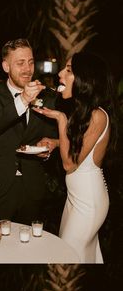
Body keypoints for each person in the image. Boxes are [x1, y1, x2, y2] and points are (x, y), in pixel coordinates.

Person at [34, 50, 118, 262]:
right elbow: (79, 148)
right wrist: (55, 143)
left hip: (88, 202)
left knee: (69, 259)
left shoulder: (98, 115)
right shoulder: (85, 111)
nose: (60, 74)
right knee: (79, 255)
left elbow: (70, 164)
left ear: (85, 79)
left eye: (69, 70)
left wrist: (61, 119)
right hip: (75, 197)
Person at [0, 38, 59, 225]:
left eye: (31, 62)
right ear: (6, 66)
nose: (27, 69)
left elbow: (58, 134)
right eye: (20, 63)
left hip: (33, 185)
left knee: (30, 245)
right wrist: (24, 99)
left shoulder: (47, 96)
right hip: (0, 186)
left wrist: (51, 145)